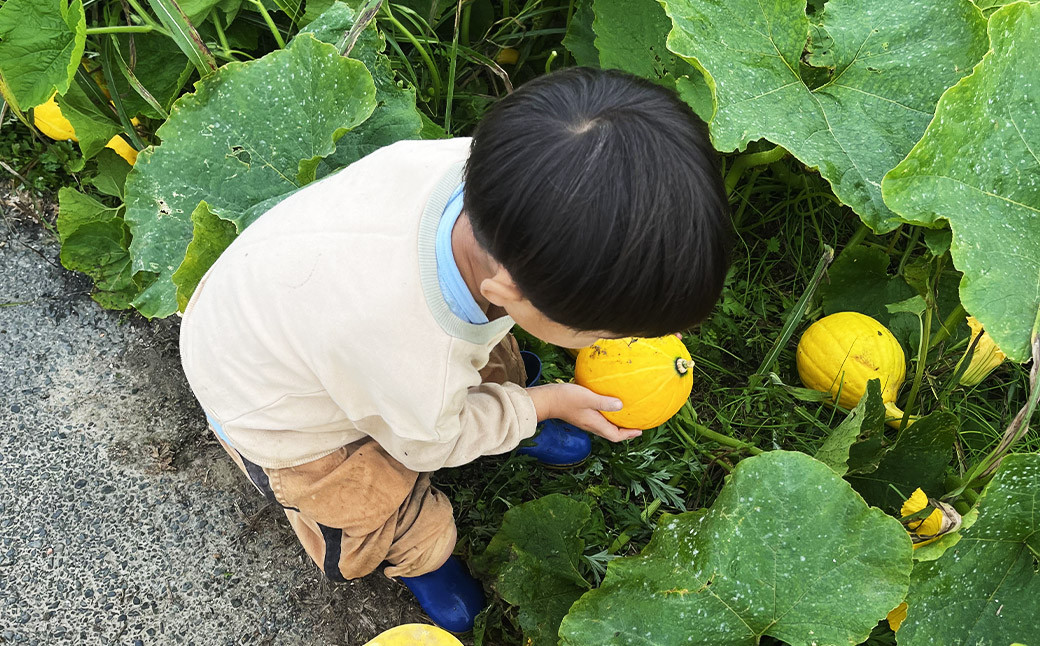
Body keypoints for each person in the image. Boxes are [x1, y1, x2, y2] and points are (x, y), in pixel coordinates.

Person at [178, 66, 731, 633]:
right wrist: (541, 404)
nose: (627, 341)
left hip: (282, 308)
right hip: (279, 416)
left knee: (492, 369)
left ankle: (509, 417)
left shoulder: (503, 179)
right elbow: (429, 444)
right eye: (611, 332)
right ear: (509, 292)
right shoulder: (407, 344)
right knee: (368, 502)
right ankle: (415, 554)